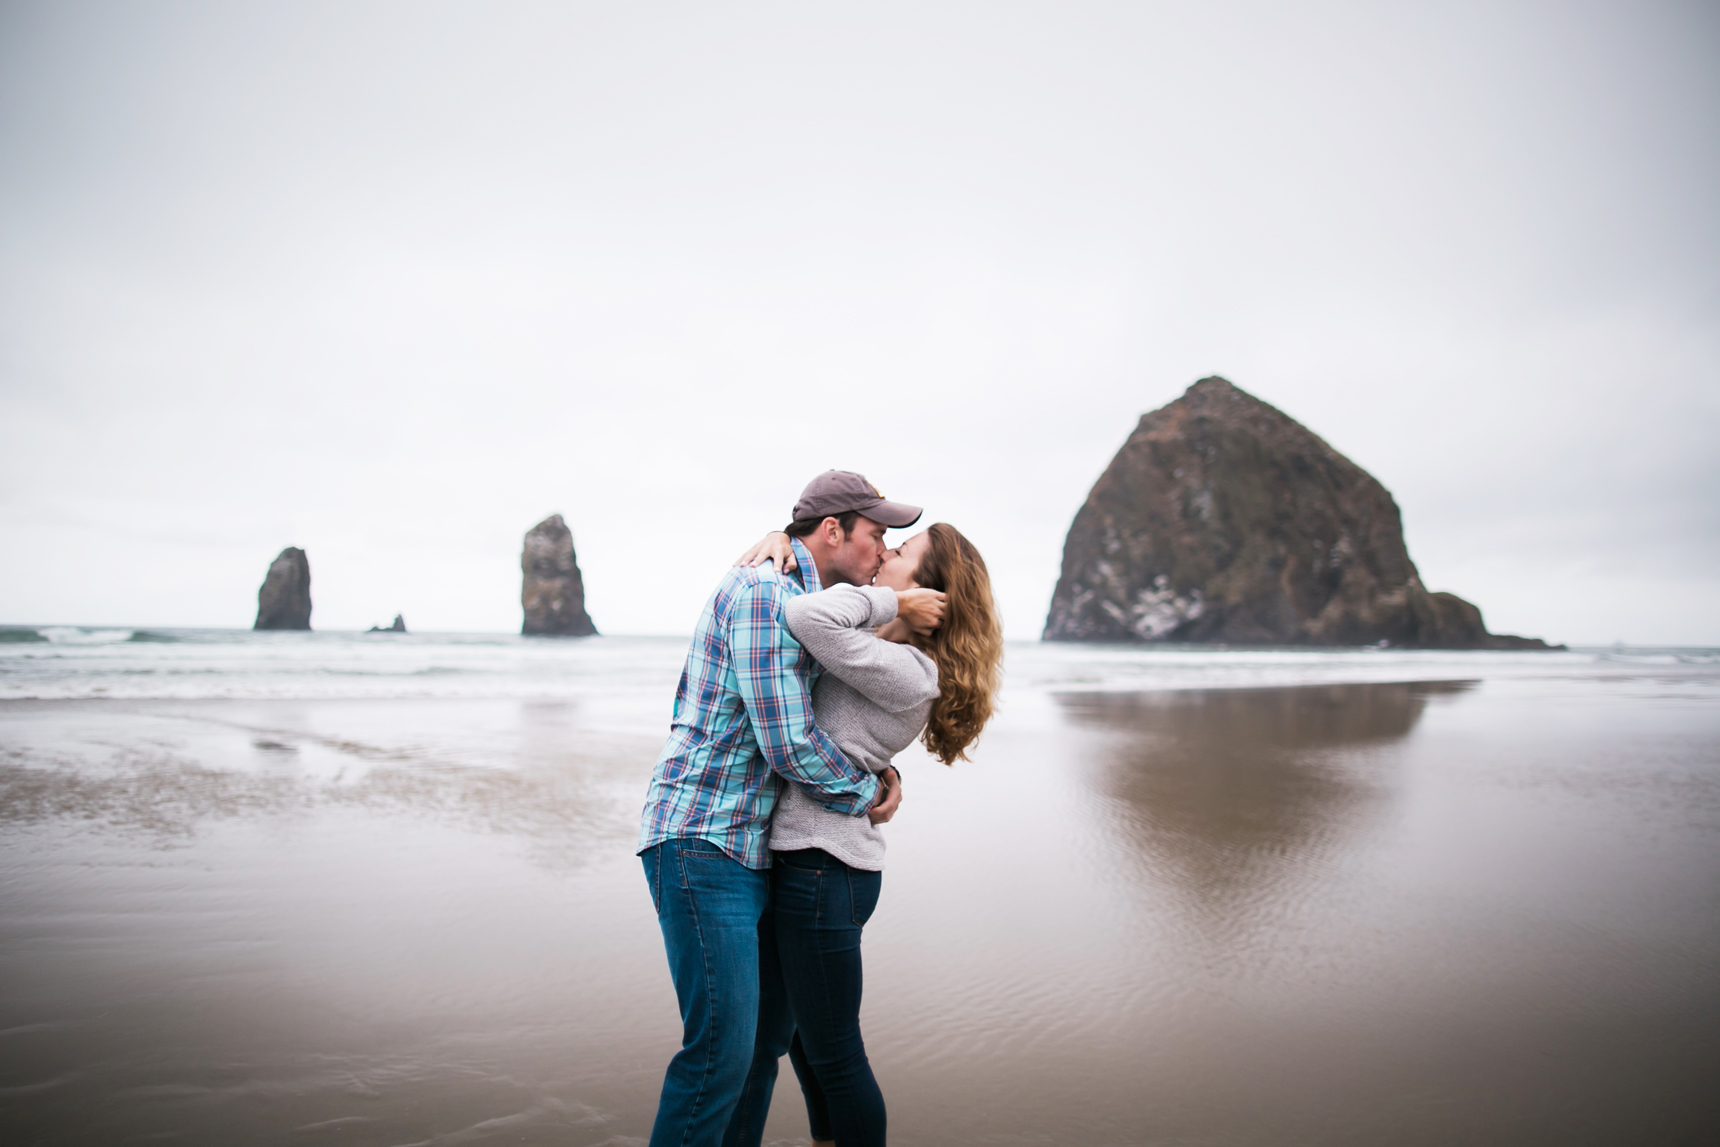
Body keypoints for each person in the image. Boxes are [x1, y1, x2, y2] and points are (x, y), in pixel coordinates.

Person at [637, 471, 947, 1147]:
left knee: (756, 1050)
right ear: (833, 531)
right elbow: (790, 743)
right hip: (701, 835)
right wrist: (868, 793)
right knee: (721, 1050)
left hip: (748, 847)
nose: (882, 551)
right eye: (876, 535)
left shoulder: (804, 591)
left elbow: (837, 712)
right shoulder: (763, 591)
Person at [725, 521, 1005, 1147]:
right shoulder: (879, 650)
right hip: (815, 863)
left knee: (835, 1056)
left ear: (929, 591)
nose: (884, 553)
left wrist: (891, 601)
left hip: (827, 869)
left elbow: (805, 617)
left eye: (901, 553)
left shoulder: (909, 668)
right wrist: (782, 535)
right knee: (804, 1048)